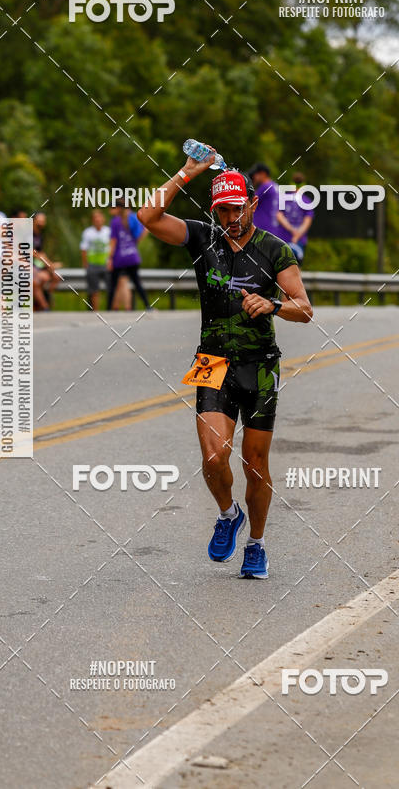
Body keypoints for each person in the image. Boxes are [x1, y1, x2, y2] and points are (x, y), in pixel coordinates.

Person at [137, 150, 313, 579]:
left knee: (255, 464)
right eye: (221, 210)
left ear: (251, 204)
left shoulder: (276, 250)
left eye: (236, 208)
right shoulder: (203, 239)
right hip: (211, 360)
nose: (230, 217)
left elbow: (303, 308)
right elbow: (148, 215)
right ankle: (227, 513)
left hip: (260, 365)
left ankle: (257, 543)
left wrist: (271, 304)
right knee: (215, 458)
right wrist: (190, 172)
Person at [108, 203, 150, 311]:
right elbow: (145, 230)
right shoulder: (133, 218)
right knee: (137, 283)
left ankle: (108, 309)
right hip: (132, 256)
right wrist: (134, 243)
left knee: (113, 285)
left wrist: (109, 258)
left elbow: (113, 241)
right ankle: (148, 306)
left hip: (119, 258)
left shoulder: (115, 221)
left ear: (118, 208)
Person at [276, 171, 314, 263]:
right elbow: (307, 221)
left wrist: (291, 230)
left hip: (282, 239)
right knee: (296, 269)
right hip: (298, 241)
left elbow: (279, 216)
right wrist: (297, 235)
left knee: (280, 268)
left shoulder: (284, 198)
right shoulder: (307, 200)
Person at [80, 209, 111, 311]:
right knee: (94, 290)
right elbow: (84, 249)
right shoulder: (88, 232)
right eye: (95, 218)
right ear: (92, 220)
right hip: (92, 264)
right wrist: (85, 263)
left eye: (99, 218)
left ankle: (110, 310)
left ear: (103, 219)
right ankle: (95, 311)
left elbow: (113, 246)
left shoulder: (108, 231)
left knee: (111, 289)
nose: (97, 220)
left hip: (106, 263)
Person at [32, 212, 61, 310]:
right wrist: (49, 264)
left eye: (43, 221)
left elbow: (41, 253)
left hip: (37, 264)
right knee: (40, 279)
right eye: (39, 220)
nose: (41, 223)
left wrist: (49, 265)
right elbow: (33, 253)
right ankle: (44, 307)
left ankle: (44, 297)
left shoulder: (40, 235)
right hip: (26, 263)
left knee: (56, 277)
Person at [248, 162, 280, 237]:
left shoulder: (265, 187)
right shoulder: (275, 186)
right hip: (273, 228)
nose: (254, 177)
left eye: (255, 175)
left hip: (262, 228)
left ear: (262, 174)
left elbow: (249, 201)